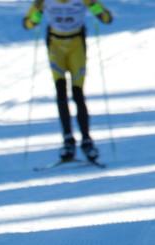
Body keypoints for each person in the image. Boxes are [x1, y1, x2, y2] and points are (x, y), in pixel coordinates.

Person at [23, 0, 112, 162]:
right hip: (55, 44)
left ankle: (86, 140)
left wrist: (96, 9)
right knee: (61, 93)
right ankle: (68, 140)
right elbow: (28, 24)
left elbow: (106, 19)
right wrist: (35, 16)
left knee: (78, 93)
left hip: (76, 44)